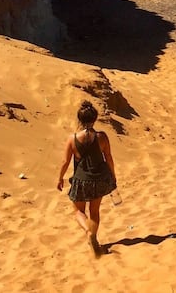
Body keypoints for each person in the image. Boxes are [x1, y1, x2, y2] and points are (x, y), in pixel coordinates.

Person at [57, 101, 117, 257]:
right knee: (94, 211)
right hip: (99, 179)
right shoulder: (102, 137)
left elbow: (65, 161)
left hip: (81, 180)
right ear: (95, 119)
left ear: (79, 119)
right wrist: (113, 175)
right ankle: (93, 237)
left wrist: (60, 178)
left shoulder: (72, 139)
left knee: (78, 211)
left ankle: (88, 231)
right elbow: (109, 158)